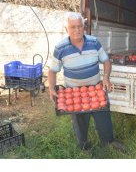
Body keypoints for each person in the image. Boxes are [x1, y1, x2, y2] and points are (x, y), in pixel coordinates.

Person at [48, 12, 125, 151]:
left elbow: (106, 61)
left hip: (96, 89)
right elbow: (53, 71)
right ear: (67, 29)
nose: (77, 30)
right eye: (72, 27)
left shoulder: (94, 42)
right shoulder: (60, 48)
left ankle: (108, 141)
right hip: (74, 92)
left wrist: (106, 77)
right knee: (79, 120)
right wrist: (51, 88)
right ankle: (83, 145)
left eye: (79, 26)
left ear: (84, 27)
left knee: (103, 116)